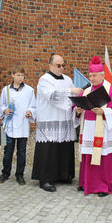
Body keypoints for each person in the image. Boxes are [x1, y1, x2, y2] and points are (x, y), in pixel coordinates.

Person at [74, 56, 112, 197]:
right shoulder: (86, 90)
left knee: (103, 157)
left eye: (95, 75)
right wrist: (78, 111)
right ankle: (86, 183)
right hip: (88, 128)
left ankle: (103, 186)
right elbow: (77, 107)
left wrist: (104, 111)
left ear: (102, 75)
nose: (92, 78)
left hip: (103, 128)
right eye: (90, 75)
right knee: (88, 155)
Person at [31, 54, 83, 192]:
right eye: (58, 65)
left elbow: (72, 99)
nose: (61, 68)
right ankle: (45, 178)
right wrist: (71, 91)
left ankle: (64, 175)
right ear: (50, 66)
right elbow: (52, 96)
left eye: (63, 65)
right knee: (49, 149)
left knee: (64, 148)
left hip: (65, 120)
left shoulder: (67, 79)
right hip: (50, 119)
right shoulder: (44, 80)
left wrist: (77, 106)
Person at [0, 65, 36, 185]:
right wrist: (4, 110)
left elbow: (33, 105)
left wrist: (30, 112)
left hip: (22, 125)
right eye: (18, 75)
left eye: (22, 75)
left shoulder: (29, 90)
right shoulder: (6, 90)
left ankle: (20, 174)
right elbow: (0, 105)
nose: (20, 78)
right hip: (9, 125)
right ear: (13, 75)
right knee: (8, 152)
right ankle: (5, 172)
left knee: (21, 152)